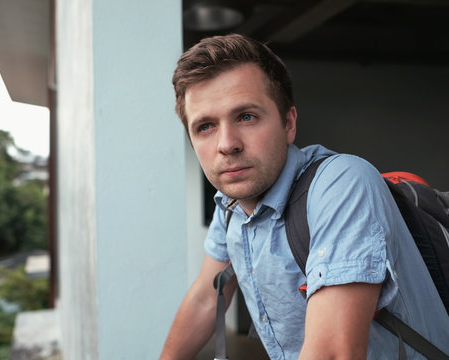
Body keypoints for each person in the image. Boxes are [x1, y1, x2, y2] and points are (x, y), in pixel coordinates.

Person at [159, 34, 449, 359]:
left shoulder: (341, 185)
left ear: (289, 123)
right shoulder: (232, 207)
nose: (227, 144)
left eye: (246, 117)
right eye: (206, 126)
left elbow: (333, 353)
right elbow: (205, 297)